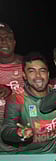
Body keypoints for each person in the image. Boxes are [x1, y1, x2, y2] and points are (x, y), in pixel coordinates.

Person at [1, 52, 56, 153]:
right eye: (32, 71)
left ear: (48, 74)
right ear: (24, 76)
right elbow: (6, 130)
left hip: (53, 156)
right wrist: (18, 133)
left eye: (42, 71)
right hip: (26, 158)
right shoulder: (17, 98)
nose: (38, 76)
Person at [0, 22, 23, 153]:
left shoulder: (26, 63)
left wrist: (11, 92)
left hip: (19, 127)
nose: (4, 42)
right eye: (0, 38)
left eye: (8, 38)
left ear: (14, 42)